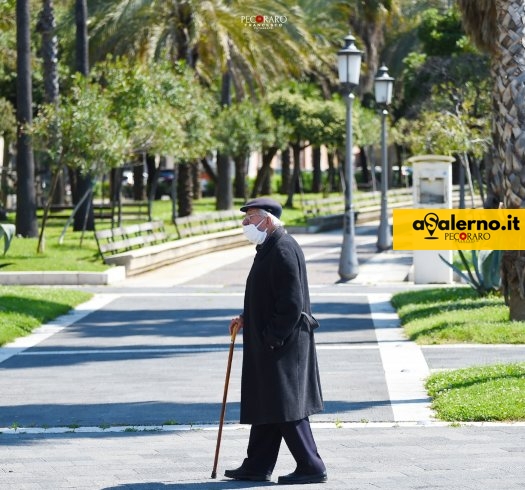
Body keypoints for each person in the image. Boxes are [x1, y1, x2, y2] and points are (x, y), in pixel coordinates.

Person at [224, 197, 327, 485]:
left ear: (267, 220)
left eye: (250, 218)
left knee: (286, 405)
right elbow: (268, 294)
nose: (245, 224)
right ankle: (257, 465)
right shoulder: (270, 246)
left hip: (283, 343)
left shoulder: (282, 248)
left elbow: (291, 303)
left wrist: (271, 337)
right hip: (273, 341)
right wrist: (246, 317)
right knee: (269, 401)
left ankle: (311, 465)